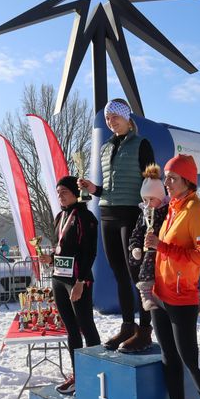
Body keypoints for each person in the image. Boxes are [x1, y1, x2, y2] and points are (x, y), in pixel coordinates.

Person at [144, 154, 200, 399]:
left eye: (172, 177)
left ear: (188, 181)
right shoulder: (173, 208)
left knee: (190, 360)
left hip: (182, 298)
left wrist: (162, 246)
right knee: (169, 358)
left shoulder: (193, 211)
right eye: (166, 176)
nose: (166, 182)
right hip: (160, 294)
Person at [78, 98, 156, 352]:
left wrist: (152, 214)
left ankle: (145, 330)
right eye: (108, 118)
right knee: (119, 273)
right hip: (108, 213)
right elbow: (108, 187)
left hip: (132, 213)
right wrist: (93, 189)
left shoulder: (141, 143)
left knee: (137, 274)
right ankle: (126, 326)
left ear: (127, 118)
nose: (112, 122)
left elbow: (151, 181)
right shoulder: (105, 147)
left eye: (116, 117)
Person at [39, 176, 101, 395]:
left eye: (64, 191)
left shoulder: (86, 217)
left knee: (86, 326)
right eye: (58, 192)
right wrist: (51, 259)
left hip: (78, 281)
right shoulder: (59, 216)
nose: (60, 196)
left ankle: (96, 373)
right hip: (59, 279)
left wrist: (81, 282)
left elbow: (89, 252)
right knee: (71, 329)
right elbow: (61, 248)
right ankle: (78, 375)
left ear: (75, 193)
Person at [127, 164, 168, 315]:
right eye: (145, 199)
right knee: (147, 261)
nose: (148, 203)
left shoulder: (169, 211)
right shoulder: (143, 214)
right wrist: (135, 247)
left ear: (161, 197)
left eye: (152, 199)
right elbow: (136, 233)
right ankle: (145, 295)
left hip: (165, 250)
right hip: (149, 251)